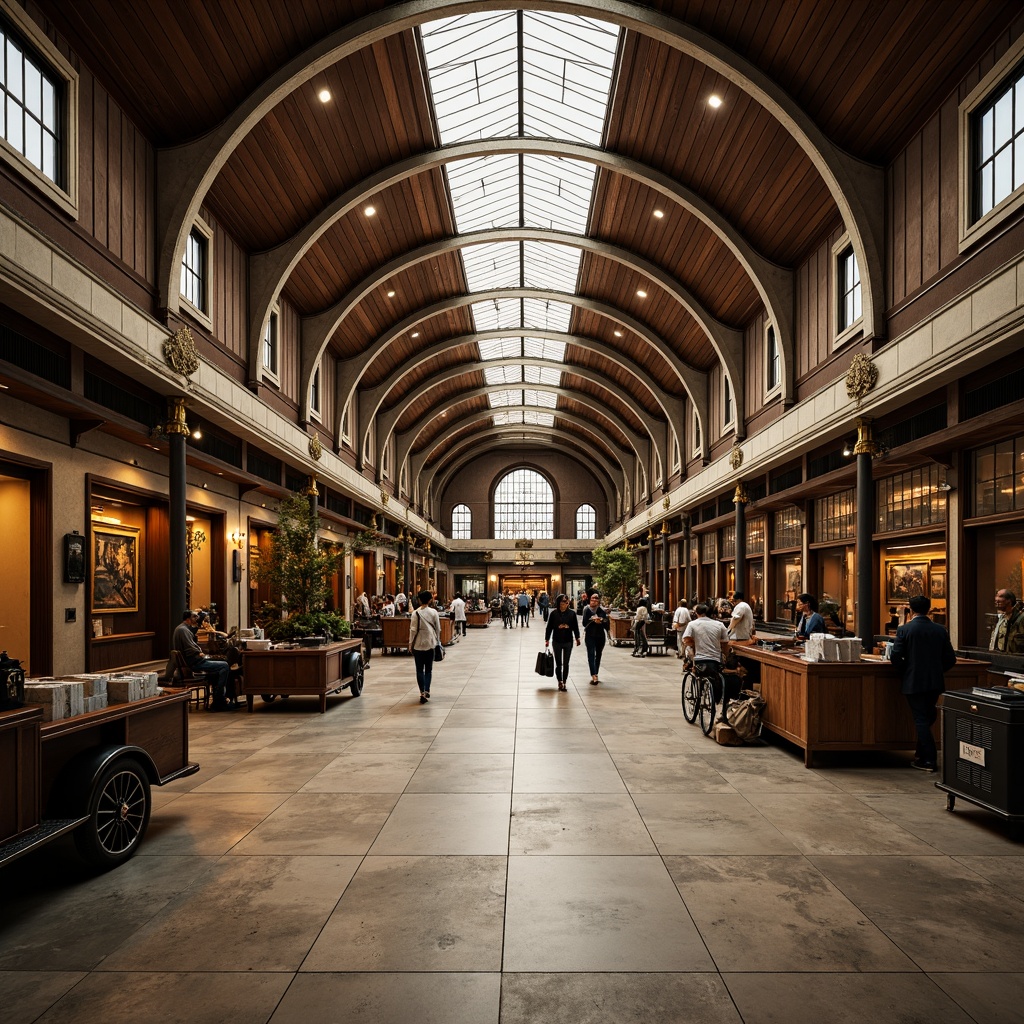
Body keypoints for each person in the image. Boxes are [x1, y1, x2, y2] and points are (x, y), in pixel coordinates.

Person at [890, 595, 957, 772]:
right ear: (929, 609)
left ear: (911, 610)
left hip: (913, 680)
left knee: (921, 718)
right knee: (927, 717)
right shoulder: (940, 630)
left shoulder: (904, 630)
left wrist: (905, 670)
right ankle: (921, 755)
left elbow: (896, 656)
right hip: (934, 681)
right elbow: (950, 658)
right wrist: (937, 670)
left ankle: (929, 759)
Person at [172, 609, 232, 711]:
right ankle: (219, 700)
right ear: (188, 619)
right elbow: (190, 648)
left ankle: (219, 698)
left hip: (192, 660)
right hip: (194, 662)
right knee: (224, 666)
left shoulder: (184, 628)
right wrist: (201, 654)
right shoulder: (183, 630)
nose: (197, 618)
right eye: (194, 616)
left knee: (217, 670)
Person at [682, 603, 731, 706]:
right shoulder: (719, 625)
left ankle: (692, 670)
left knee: (688, 651)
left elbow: (686, 640)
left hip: (699, 660)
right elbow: (726, 642)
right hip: (715, 660)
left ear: (697, 613)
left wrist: (694, 644)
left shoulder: (692, 624)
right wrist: (725, 656)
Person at [408, 589, 442, 704]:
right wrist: (438, 640)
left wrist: (410, 644)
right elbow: (438, 628)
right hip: (430, 643)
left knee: (419, 670)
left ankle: (421, 692)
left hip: (418, 644)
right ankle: (427, 690)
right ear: (430, 600)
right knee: (428, 670)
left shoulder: (415, 613)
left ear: (419, 600)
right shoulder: (433, 612)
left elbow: (412, 630)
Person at [544, 593, 580, 690]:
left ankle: (564, 681)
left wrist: (577, 638)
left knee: (566, 663)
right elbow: (549, 627)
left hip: (568, 641)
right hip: (557, 640)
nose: (564, 603)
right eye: (563, 601)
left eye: (566, 601)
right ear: (559, 602)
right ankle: (559, 681)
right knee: (559, 663)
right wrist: (546, 639)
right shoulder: (554, 614)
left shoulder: (572, 614)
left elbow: (575, 627)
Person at [581, 591, 610, 684]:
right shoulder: (586, 609)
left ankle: (596, 673)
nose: (594, 600)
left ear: (599, 601)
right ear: (590, 600)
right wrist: (592, 620)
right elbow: (584, 623)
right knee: (591, 655)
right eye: (592, 598)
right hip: (590, 636)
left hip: (600, 636)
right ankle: (593, 674)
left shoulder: (601, 610)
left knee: (598, 655)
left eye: (596, 599)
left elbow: (606, 622)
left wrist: (601, 621)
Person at [990, 589, 1024, 654]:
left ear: (1009, 601)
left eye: (1001, 596)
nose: (996, 599)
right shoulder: (1001, 619)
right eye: (996, 596)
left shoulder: (1021, 619)